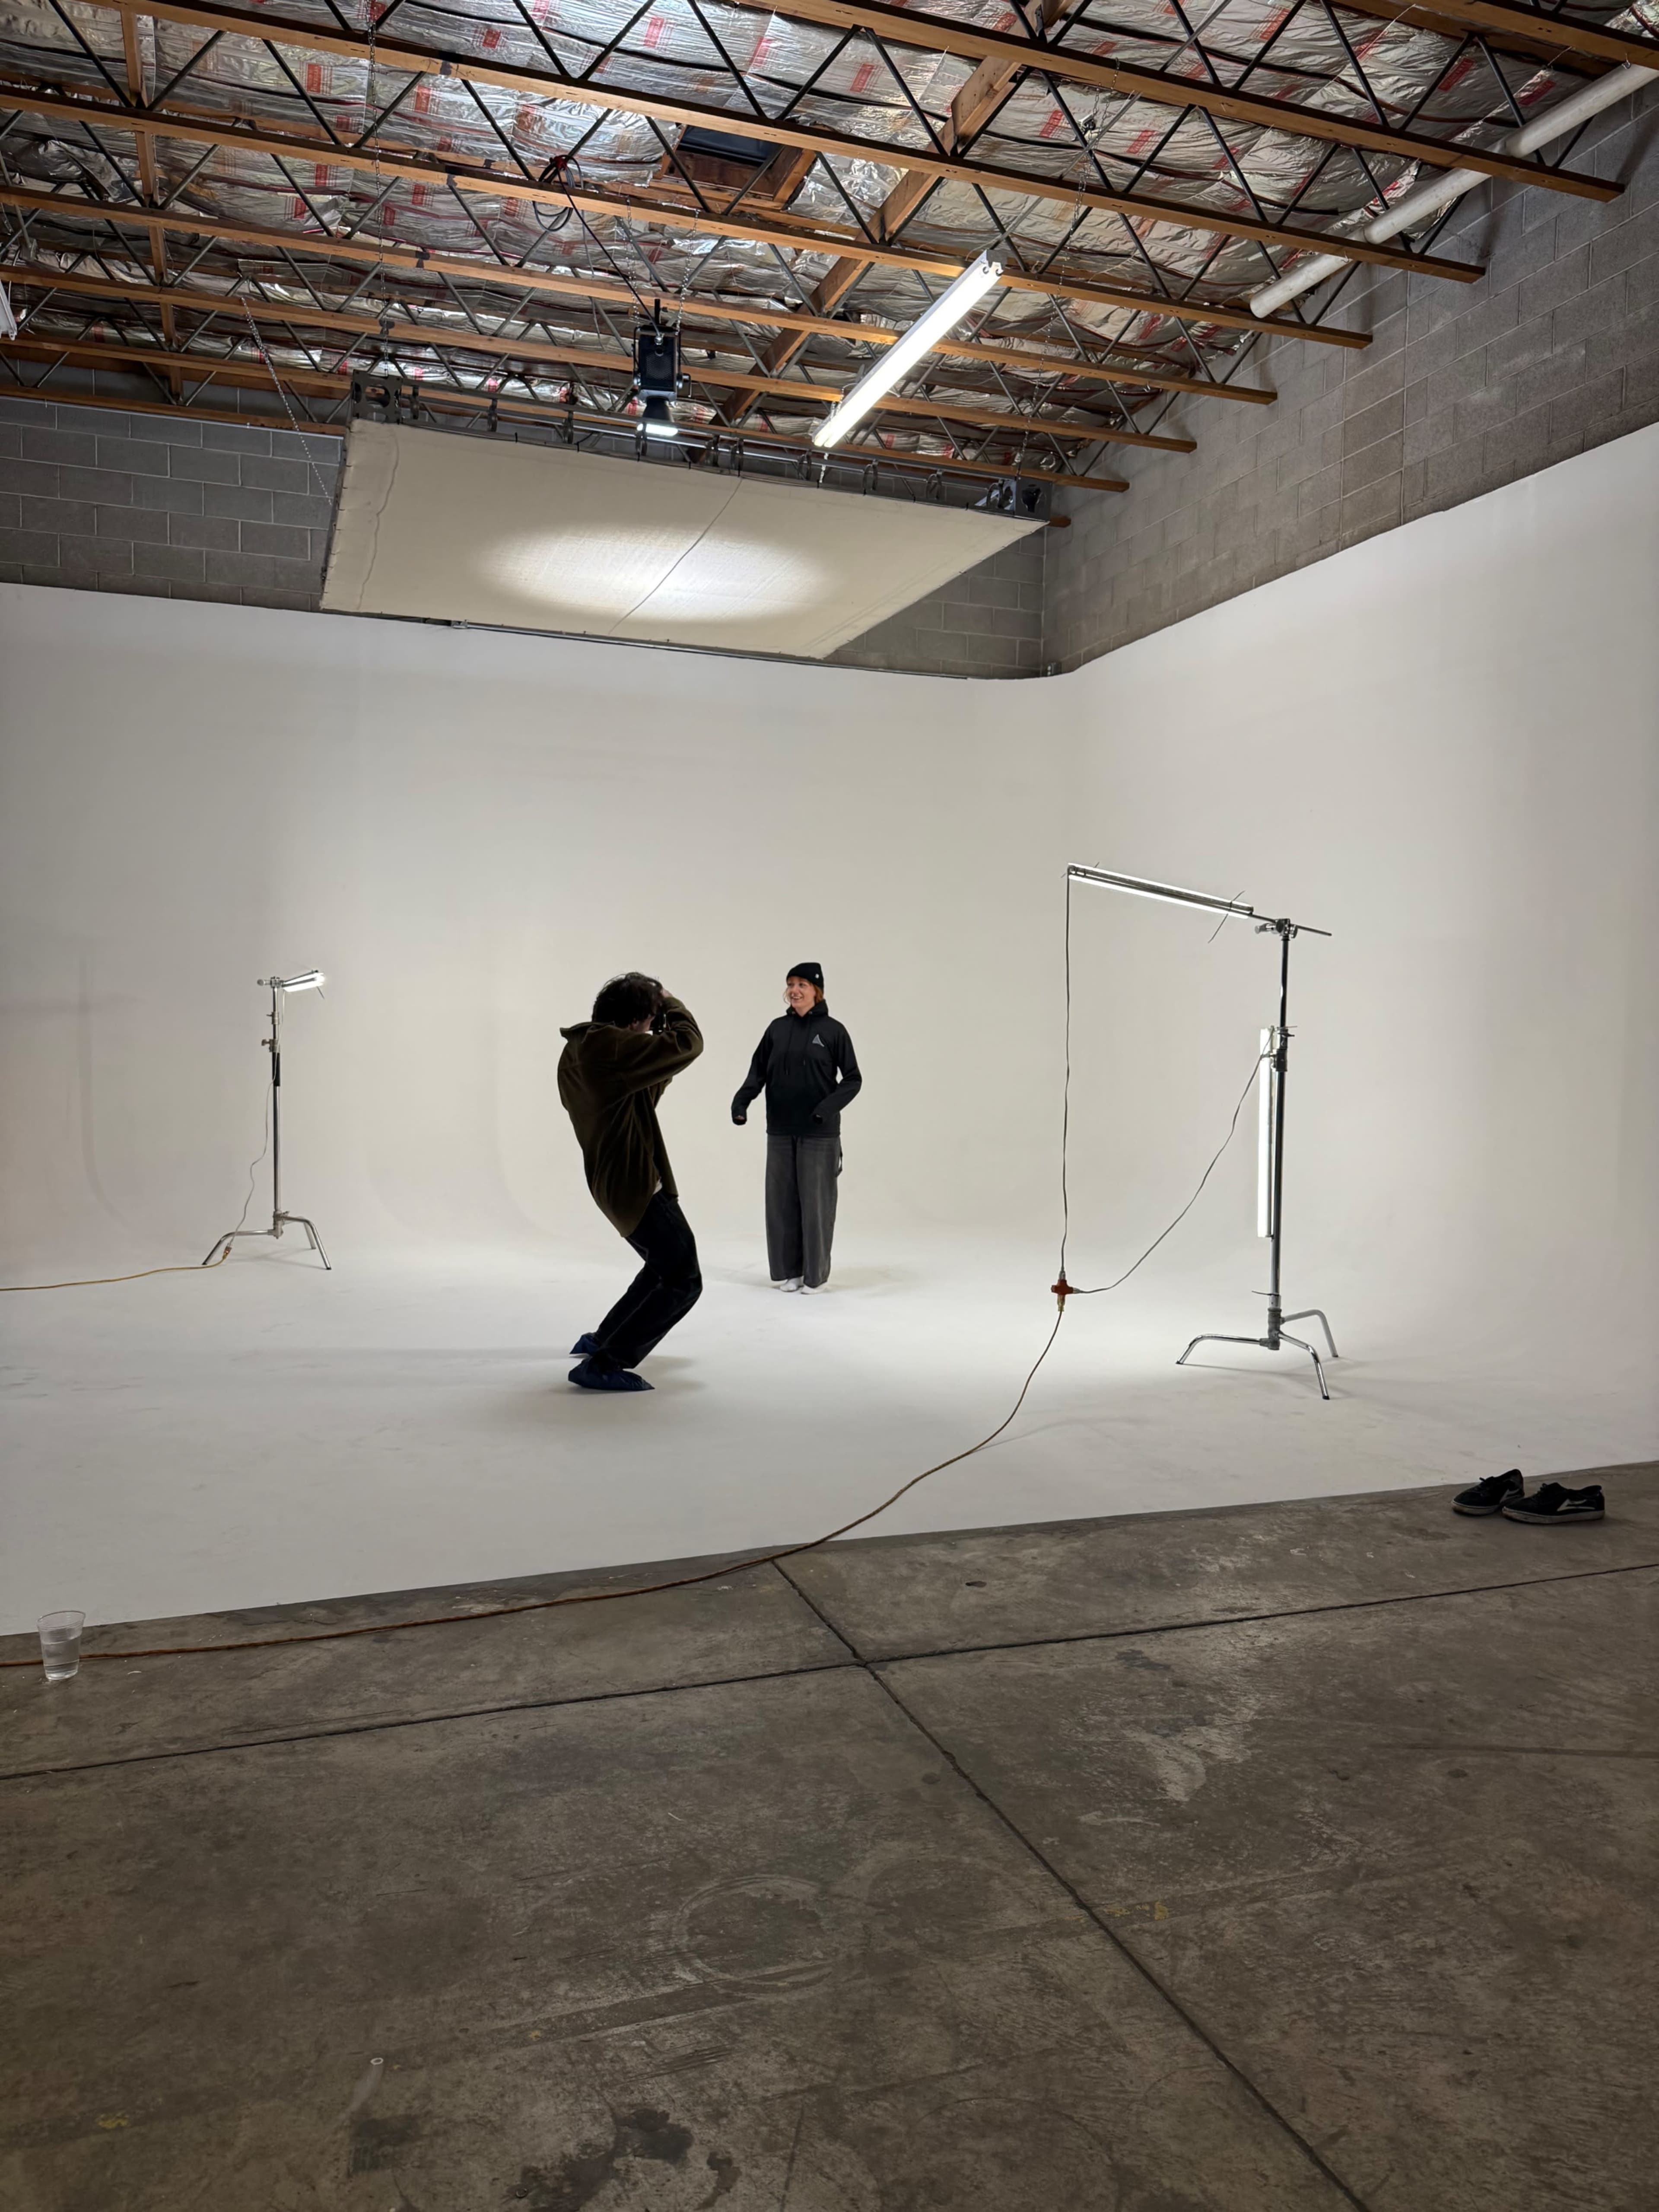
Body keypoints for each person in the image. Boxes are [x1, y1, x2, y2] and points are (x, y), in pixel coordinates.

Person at [557, 972, 703, 1392]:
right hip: (636, 1185)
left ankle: (604, 1340)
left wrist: (657, 1047)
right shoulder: (611, 1048)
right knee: (683, 1279)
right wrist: (672, 1005)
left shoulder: (582, 1050)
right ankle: (606, 1363)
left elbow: (643, 1092)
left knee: (661, 1267)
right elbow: (690, 1044)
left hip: (610, 1183)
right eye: (650, 1017)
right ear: (638, 1017)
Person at [731, 961, 861, 1292]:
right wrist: (742, 1102)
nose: (795, 990)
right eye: (791, 984)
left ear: (817, 991)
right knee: (781, 1204)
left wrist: (825, 1110)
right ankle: (791, 1272)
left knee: (816, 1204)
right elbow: (757, 1071)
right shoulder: (776, 1029)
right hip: (780, 1129)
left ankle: (814, 1276)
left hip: (819, 1133)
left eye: (803, 984)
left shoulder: (834, 1031)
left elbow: (853, 1079)